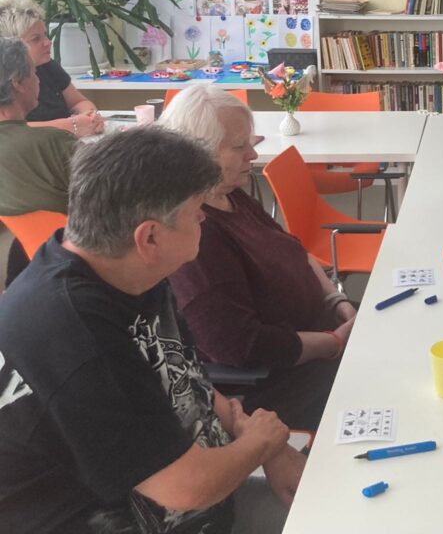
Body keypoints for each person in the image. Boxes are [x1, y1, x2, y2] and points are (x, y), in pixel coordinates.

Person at [0, 126, 304, 533]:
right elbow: (187, 488)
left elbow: (186, 376)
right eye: (198, 211)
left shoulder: (124, 269)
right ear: (150, 236)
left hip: (207, 494)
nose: (204, 219)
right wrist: (261, 443)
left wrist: (260, 438)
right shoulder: (74, 332)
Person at [161, 84, 358, 430]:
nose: (252, 156)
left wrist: (335, 299)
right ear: (197, 153)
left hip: (324, 329)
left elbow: (293, 249)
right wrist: (333, 343)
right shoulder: (196, 233)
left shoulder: (231, 195)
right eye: (239, 147)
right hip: (282, 375)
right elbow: (241, 345)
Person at [0, 38, 77, 283]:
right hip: (83, 258)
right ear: (18, 83)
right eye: (34, 73)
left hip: (32, 262)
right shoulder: (54, 144)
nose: (39, 80)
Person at [0, 0, 104, 136]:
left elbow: (78, 102)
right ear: (11, 45)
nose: (48, 42)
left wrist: (90, 117)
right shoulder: (5, 79)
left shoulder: (47, 65)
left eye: (45, 35)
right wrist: (72, 125)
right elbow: (11, 129)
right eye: (36, 39)